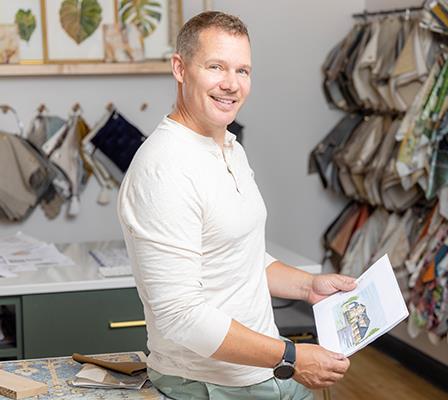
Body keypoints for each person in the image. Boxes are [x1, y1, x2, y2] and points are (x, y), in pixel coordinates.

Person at [118, 11, 357, 400]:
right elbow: (180, 315)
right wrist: (293, 357)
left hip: (265, 372)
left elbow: (237, 258)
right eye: (216, 67)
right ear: (180, 68)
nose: (231, 84)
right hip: (211, 384)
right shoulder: (164, 169)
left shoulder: (228, 145)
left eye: (243, 71)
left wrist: (308, 285)